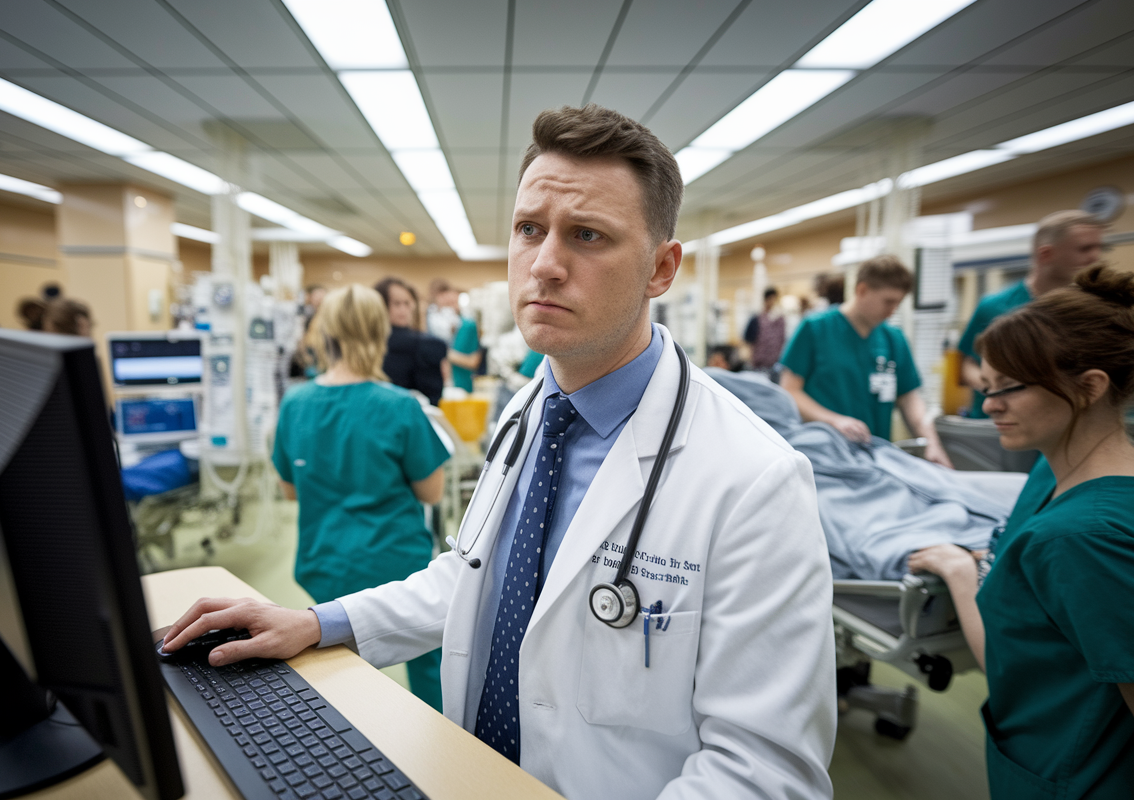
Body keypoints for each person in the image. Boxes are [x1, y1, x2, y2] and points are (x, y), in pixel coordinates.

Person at [161, 104, 835, 800]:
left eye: (588, 235)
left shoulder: (755, 481)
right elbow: (473, 576)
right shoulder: (528, 409)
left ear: (661, 269)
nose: (544, 265)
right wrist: (314, 623)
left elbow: (765, 773)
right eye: (528, 229)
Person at [908, 265, 1134, 799]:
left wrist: (961, 573)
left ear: (1089, 387)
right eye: (986, 387)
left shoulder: (1082, 538)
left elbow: (1008, 663)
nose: (989, 406)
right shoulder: (1054, 476)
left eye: (1008, 390)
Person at [270, 284, 450, 710]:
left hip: (325, 563)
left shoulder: (295, 404)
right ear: (379, 334)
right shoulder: (400, 406)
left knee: (339, 672)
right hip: (396, 565)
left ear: (324, 333)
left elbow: (290, 491)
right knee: (430, 667)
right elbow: (432, 490)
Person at [780, 255, 953, 468]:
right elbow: (789, 391)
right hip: (823, 454)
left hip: (875, 457)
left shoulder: (894, 339)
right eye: (888, 301)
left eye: (898, 302)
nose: (893, 310)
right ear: (862, 290)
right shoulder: (815, 329)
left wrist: (931, 444)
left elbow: (909, 398)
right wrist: (834, 420)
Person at [957, 210, 1105, 417]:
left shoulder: (1088, 311)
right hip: (996, 423)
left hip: (1059, 422)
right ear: (1046, 254)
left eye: (1099, 247)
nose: (1095, 257)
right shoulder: (995, 307)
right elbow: (967, 365)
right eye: (1084, 249)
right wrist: (999, 389)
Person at [374, 276, 448, 404]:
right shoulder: (423, 344)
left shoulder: (420, 341)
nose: (403, 310)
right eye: (396, 304)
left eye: (407, 303)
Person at [742, 287, 786, 372]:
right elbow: (747, 341)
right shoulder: (756, 319)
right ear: (765, 300)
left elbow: (783, 339)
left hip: (776, 363)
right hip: (758, 364)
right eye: (770, 299)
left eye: (774, 299)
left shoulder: (780, 320)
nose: (772, 302)